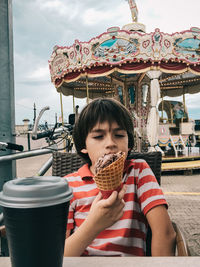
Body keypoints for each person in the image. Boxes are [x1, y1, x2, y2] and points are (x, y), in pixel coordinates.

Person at [64, 98, 176, 257]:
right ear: (83, 145)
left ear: (128, 143)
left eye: (118, 135)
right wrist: (94, 224)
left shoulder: (138, 171)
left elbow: (165, 234)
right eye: (98, 136)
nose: (110, 143)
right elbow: (59, 254)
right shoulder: (68, 185)